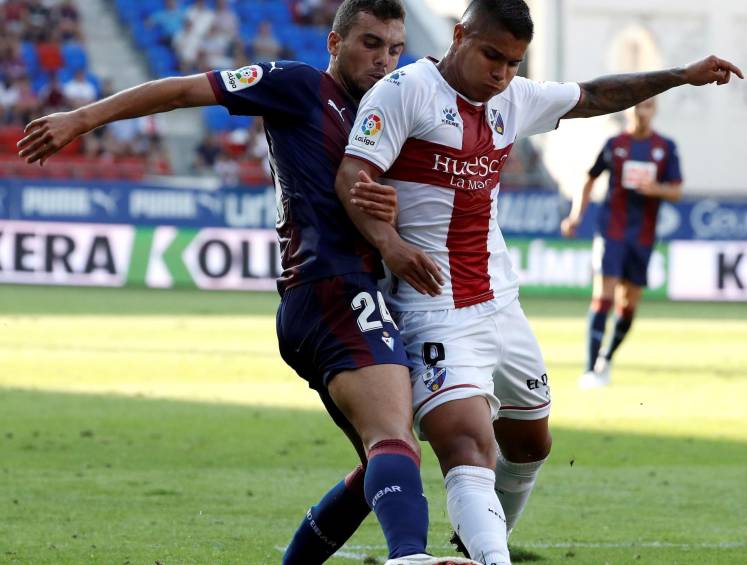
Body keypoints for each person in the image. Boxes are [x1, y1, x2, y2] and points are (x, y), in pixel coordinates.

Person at [15, 2, 473, 564]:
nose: (383, 61)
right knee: (392, 442)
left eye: (394, 49)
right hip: (332, 287)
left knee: (382, 464)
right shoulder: (299, 85)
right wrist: (80, 119)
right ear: (333, 44)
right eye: (370, 44)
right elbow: (185, 91)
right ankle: (409, 557)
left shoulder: (387, 115)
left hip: (331, 295)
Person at [333, 1, 742, 563]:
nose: (501, 73)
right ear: (459, 37)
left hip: (502, 304)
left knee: (530, 443)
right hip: (434, 304)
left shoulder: (514, 99)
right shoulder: (404, 92)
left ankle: (479, 544)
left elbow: (594, 94)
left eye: (513, 62)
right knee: (467, 441)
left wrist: (680, 76)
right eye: (491, 56)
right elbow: (355, 172)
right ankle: (492, 559)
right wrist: (390, 243)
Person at [561, 98, 683, 388]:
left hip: (642, 235)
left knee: (628, 305)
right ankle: (590, 370)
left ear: (655, 111)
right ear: (629, 110)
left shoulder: (665, 148)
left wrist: (657, 189)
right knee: (603, 294)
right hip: (611, 231)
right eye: (638, 107)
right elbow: (589, 179)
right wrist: (576, 215)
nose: (642, 112)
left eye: (648, 107)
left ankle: (607, 356)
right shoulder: (615, 144)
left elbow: (677, 191)